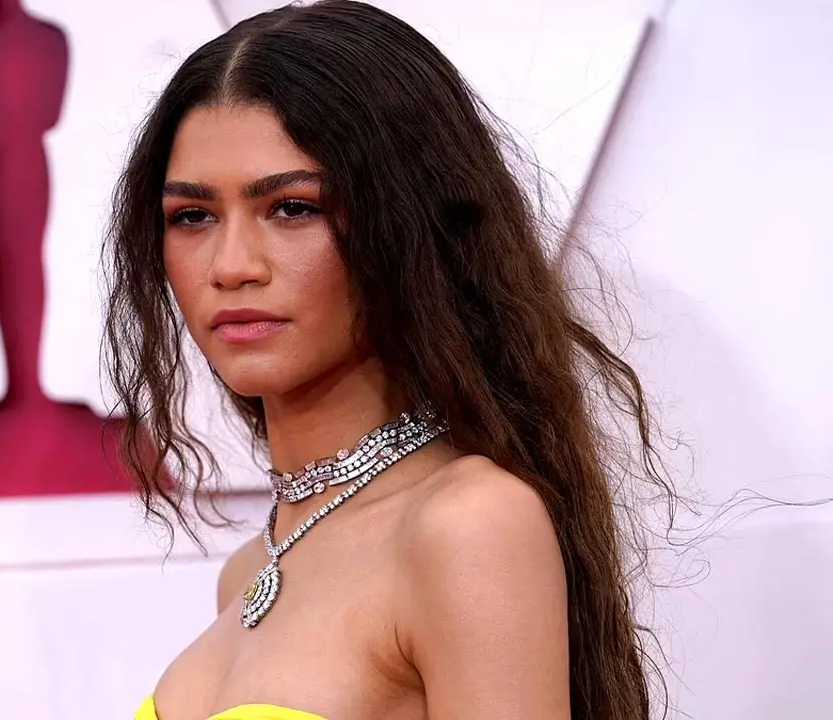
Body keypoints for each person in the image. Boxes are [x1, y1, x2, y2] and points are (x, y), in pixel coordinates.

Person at [103, 2, 670, 718]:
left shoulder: (466, 524)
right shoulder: (247, 572)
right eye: (193, 216)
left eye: (293, 208)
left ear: (409, 225)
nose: (231, 265)